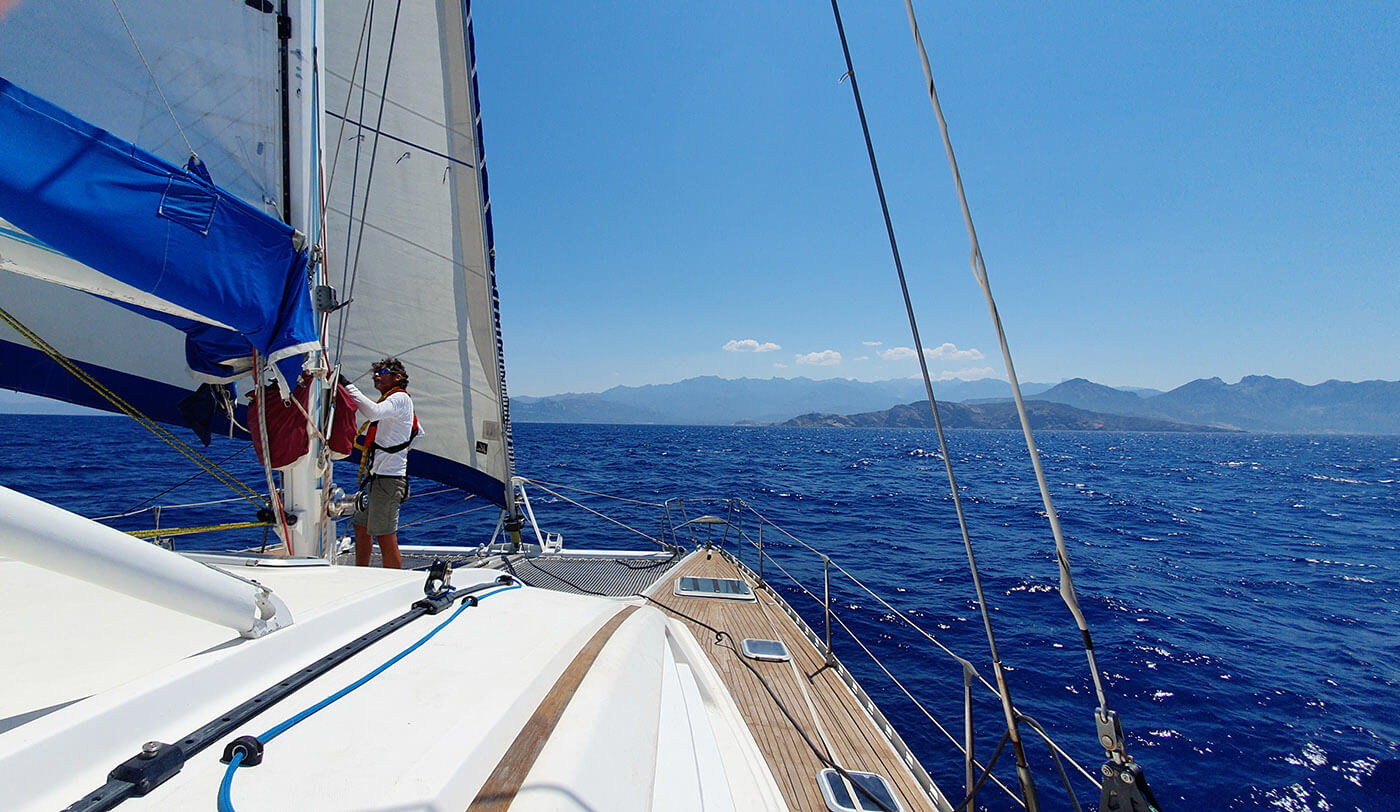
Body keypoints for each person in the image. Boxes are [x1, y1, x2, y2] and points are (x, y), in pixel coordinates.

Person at [342, 358, 420, 568]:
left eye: (382, 371)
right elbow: (418, 432)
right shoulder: (392, 401)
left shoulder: (400, 399)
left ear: (398, 377)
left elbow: (373, 413)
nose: (376, 375)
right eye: (375, 372)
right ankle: (361, 570)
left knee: (385, 535)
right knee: (361, 526)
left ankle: (393, 581)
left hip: (389, 480)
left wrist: (346, 385)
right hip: (376, 477)